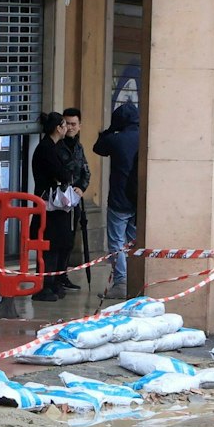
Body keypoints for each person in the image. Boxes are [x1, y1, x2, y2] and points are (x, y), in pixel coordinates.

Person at [92, 102, 140, 300]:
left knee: (116, 243)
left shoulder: (116, 139)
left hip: (119, 199)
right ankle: (136, 281)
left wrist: (111, 129)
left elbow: (98, 148)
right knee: (134, 242)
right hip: (138, 199)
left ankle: (121, 281)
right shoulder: (143, 137)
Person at [30, 112, 77, 302]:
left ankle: (55, 282)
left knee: (60, 244)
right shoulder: (46, 149)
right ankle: (45, 285)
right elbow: (62, 173)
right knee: (49, 244)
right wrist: (66, 174)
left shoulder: (56, 147)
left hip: (57, 205)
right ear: (58, 127)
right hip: (48, 204)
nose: (67, 128)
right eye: (65, 124)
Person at [60, 108, 91, 289]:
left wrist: (82, 188)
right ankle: (56, 276)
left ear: (79, 126)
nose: (70, 128)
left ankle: (63, 274)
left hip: (75, 201)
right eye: (67, 124)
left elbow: (85, 171)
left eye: (73, 124)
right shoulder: (58, 145)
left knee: (70, 239)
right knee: (60, 239)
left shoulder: (78, 147)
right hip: (59, 200)